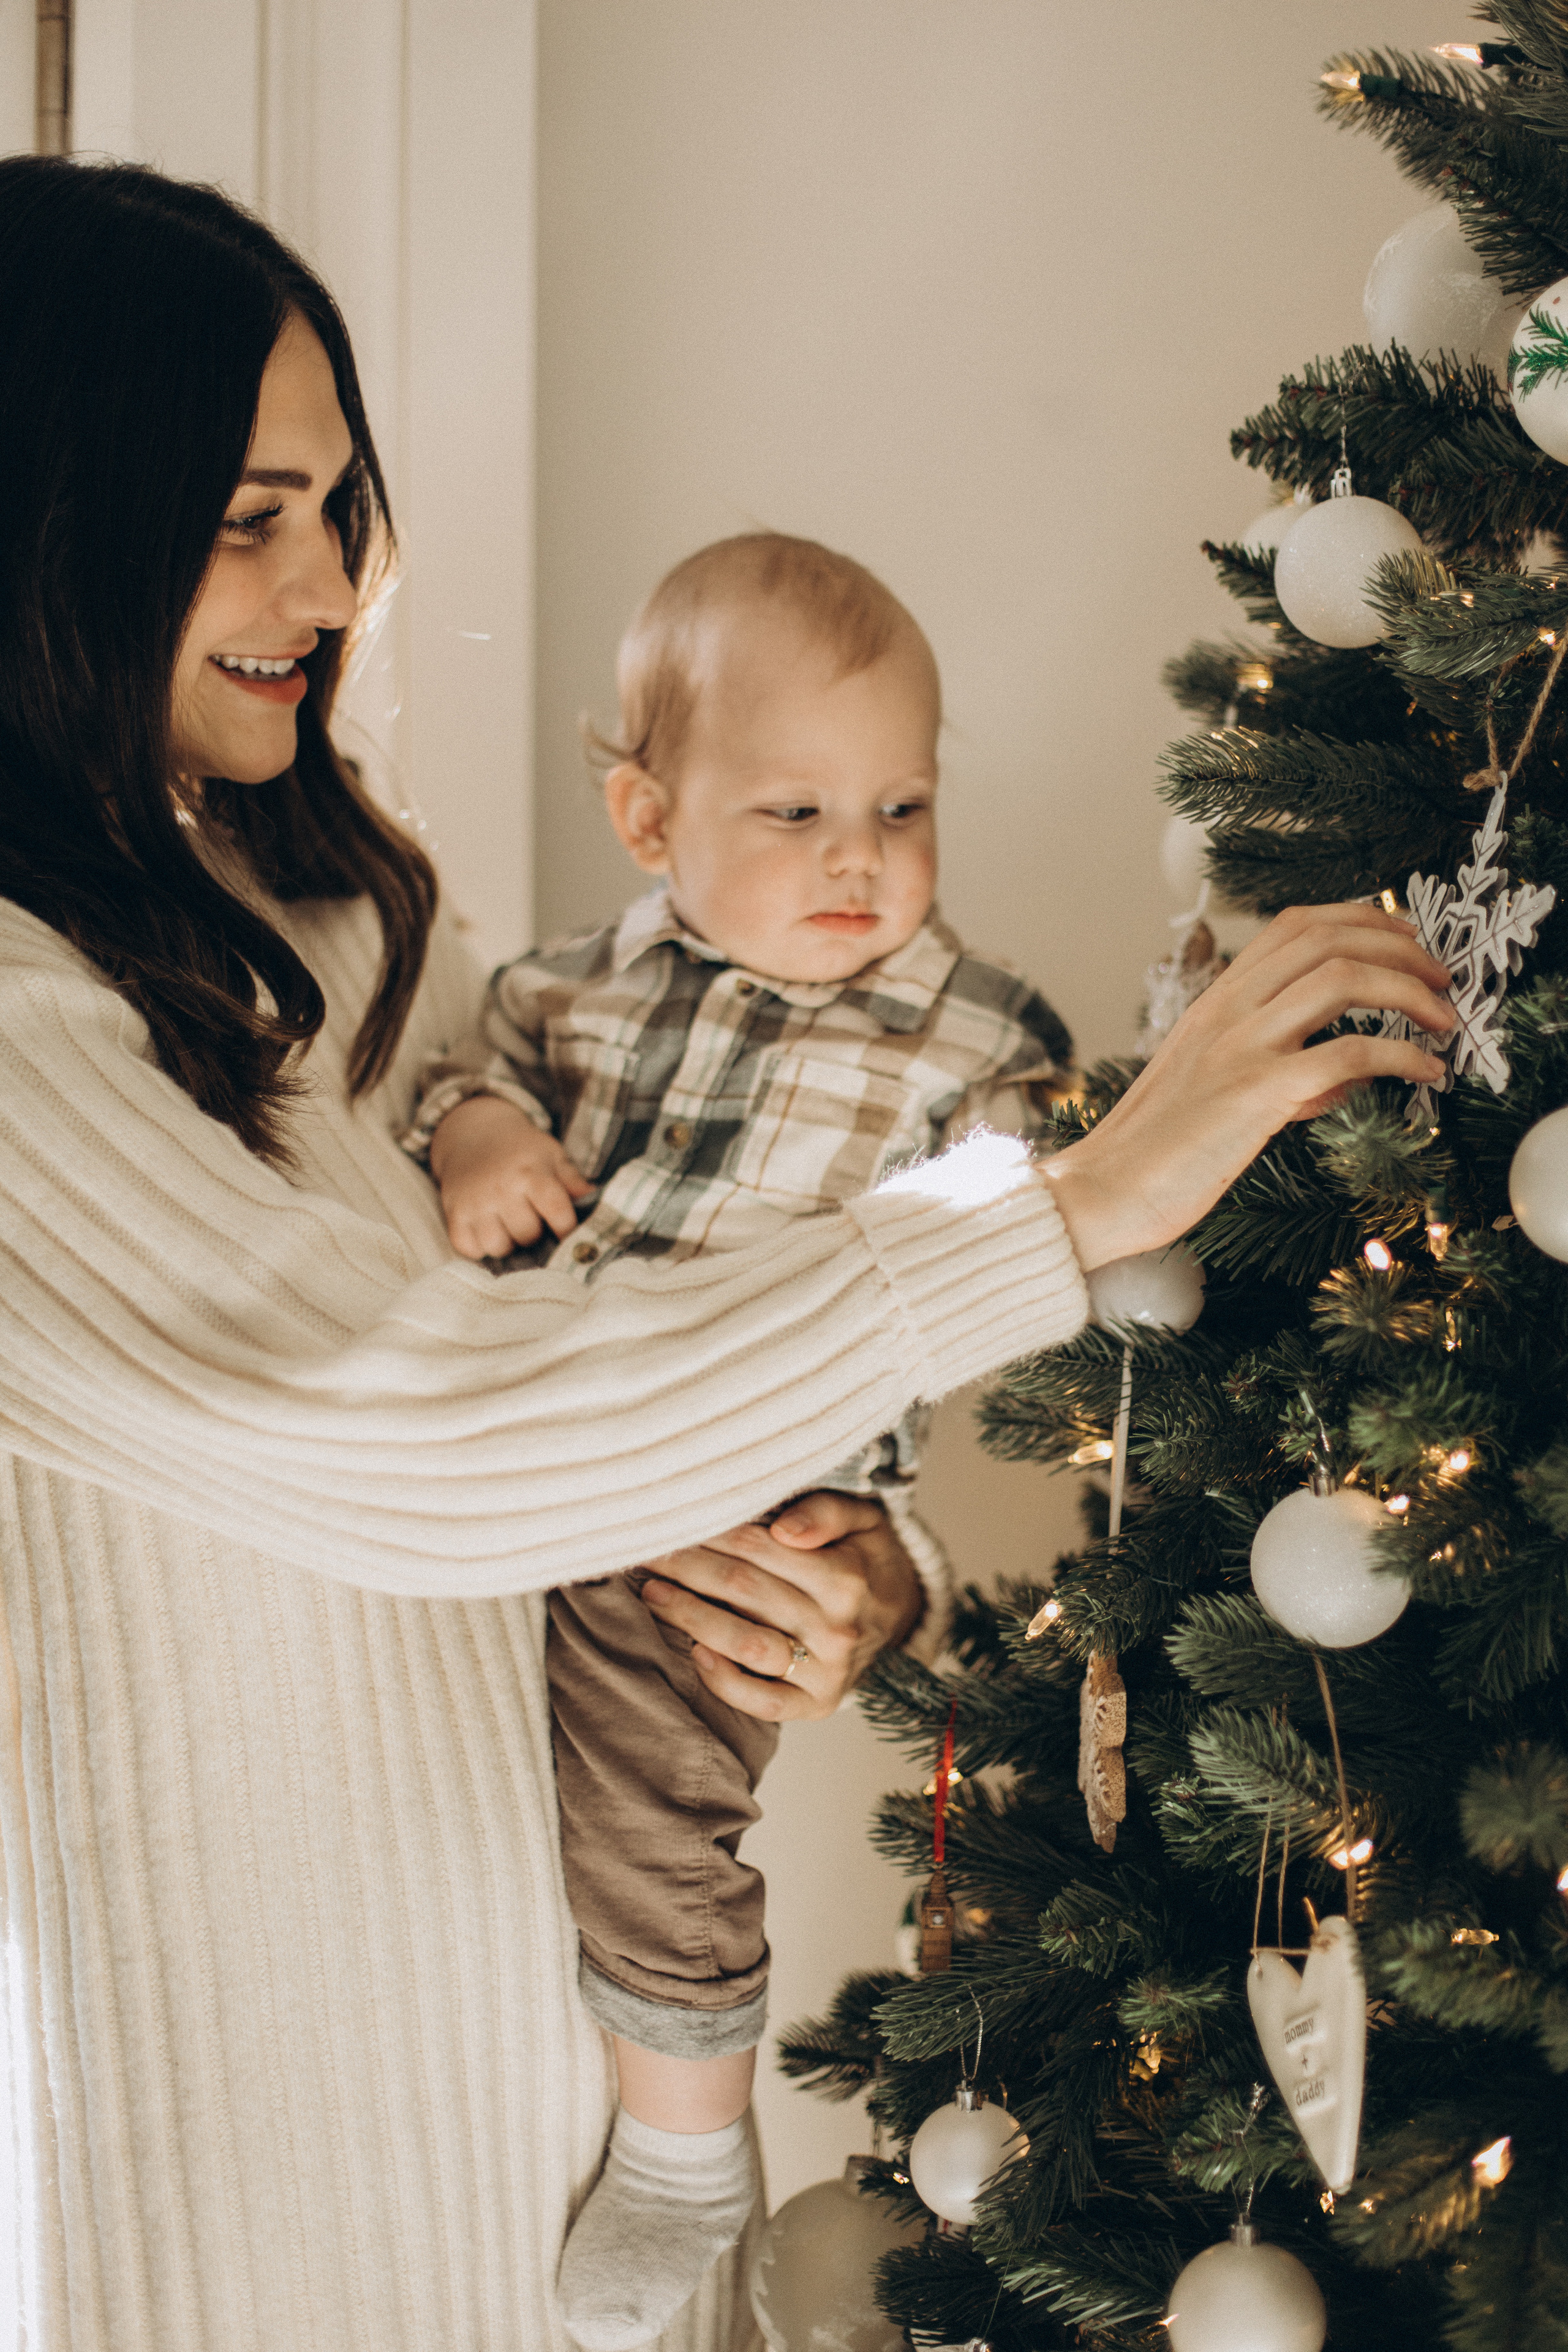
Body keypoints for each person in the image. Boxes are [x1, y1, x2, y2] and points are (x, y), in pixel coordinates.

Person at [0, 154, 1453, 2352]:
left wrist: (832, 1569)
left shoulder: (319, 911)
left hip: (585, 2127)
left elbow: (585, 1356)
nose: (327, 580)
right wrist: (1062, 1205)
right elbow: (418, 1430)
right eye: (242, 516)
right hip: (283, 2201)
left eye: (332, 504)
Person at [405, 530, 1081, 2348]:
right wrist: (480, 1139)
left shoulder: (970, 1027)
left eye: (901, 803)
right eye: (792, 812)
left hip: (750, 1485)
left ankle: (691, 2137)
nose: (860, 858)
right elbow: (465, 1071)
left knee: (652, 1798)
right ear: (649, 818)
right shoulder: (572, 992)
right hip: (543, 1438)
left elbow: (1036, 1231)